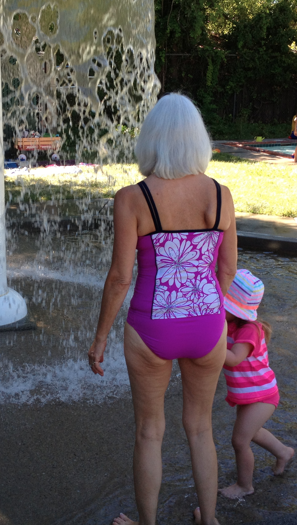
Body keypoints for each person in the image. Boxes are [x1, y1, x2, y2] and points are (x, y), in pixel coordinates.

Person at [88, 93, 238, 525]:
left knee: (149, 432)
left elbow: (120, 278)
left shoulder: (132, 198)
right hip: (207, 324)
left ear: (151, 139)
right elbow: (228, 269)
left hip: (151, 326)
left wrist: (100, 338)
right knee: (201, 428)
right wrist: (207, 311)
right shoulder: (221, 195)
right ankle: (209, 519)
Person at [217, 270, 294, 501]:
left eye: (222, 304)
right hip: (250, 394)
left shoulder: (249, 330)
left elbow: (233, 358)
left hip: (262, 395)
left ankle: (245, 486)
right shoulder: (230, 324)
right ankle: (284, 452)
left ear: (235, 310)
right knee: (253, 432)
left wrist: (208, 342)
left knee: (240, 440)